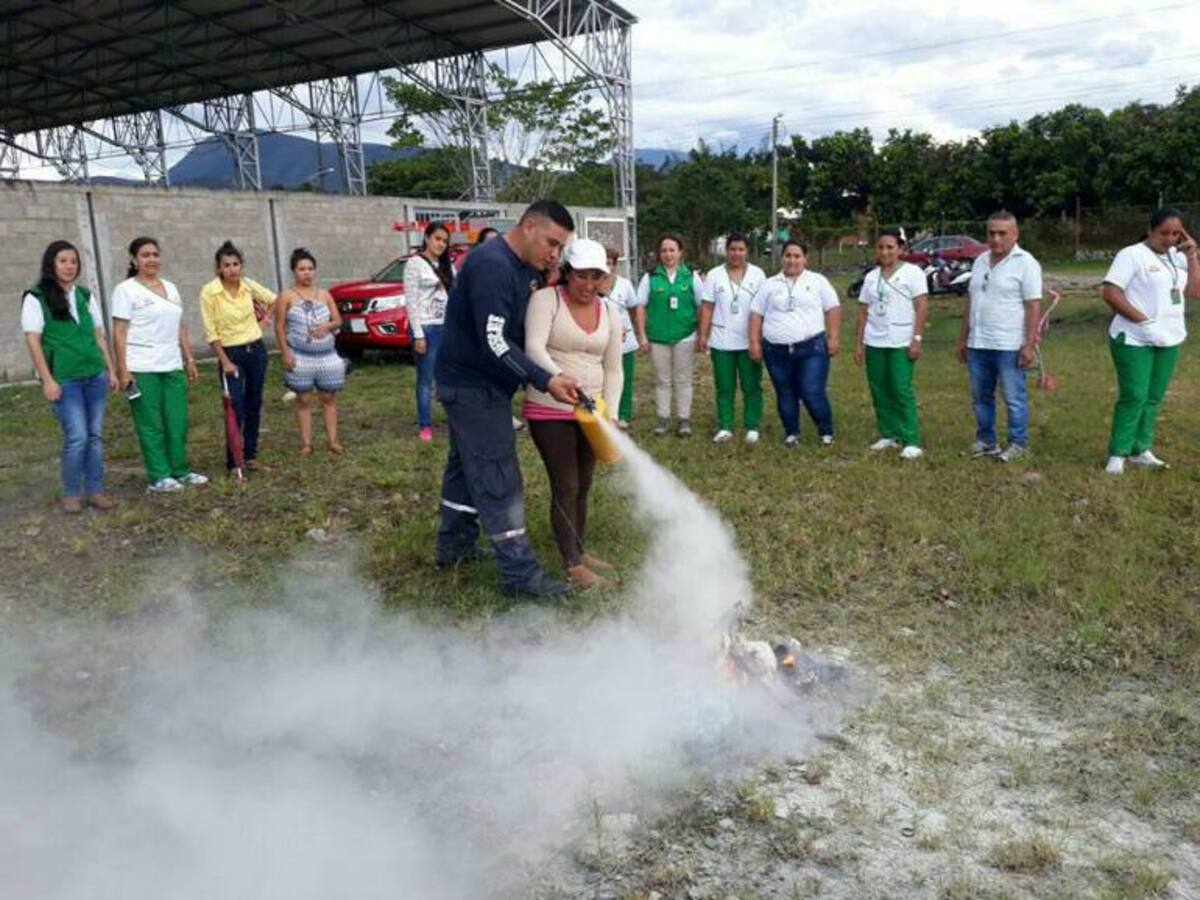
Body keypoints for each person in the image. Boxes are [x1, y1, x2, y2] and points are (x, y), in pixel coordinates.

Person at [434, 199, 582, 599]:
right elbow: (494, 340)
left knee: (465, 470)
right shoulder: (493, 265)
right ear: (528, 226)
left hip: (479, 385)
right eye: (551, 243)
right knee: (499, 476)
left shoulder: (523, 268)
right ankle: (520, 576)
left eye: (560, 248)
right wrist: (544, 379)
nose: (554, 254)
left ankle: (455, 547)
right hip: (471, 387)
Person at [524, 239, 624, 589]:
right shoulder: (545, 301)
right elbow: (533, 348)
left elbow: (614, 368)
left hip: (590, 410)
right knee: (565, 484)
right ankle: (571, 566)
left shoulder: (610, 312)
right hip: (549, 405)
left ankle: (578, 551)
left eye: (596, 277)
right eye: (581, 276)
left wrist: (608, 412)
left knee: (583, 484)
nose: (588, 284)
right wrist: (557, 377)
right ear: (567, 273)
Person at [21, 240, 118, 512]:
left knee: (95, 435)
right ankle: (71, 492)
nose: (69, 266)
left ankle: (95, 490)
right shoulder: (36, 296)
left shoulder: (85, 296)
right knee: (77, 437)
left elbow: (98, 335)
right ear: (51, 263)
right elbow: (33, 340)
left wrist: (109, 368)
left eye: (73, 261)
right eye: (63, 260)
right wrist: (47, 379)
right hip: (65, 379)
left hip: (94, 375)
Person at [1101, 207, 1200, 474]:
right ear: (1150, 230)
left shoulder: (1175, 258)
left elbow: (1194, 291)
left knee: (1153, 397)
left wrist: (1192, 256)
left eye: (1176, 233)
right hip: (1134, 337)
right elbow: (1110, 292)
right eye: (1163, 233)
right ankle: (1118, 454)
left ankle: (1140, 449)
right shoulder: (1131, 255)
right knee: (1134, 395)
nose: (1169, 239)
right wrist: (1142, 320)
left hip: (1169, 337)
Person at [111, 237, 207, 493]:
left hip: (172, 364)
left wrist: (188, 359)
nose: (151, 259)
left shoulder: (171, 288)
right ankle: (159, 476)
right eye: (145, 255)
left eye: (155, 254)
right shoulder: (126, 290)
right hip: (141, 367)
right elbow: (119, 332)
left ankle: (180, 470)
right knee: (150, 423)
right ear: (134, 260)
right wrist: (123, 369)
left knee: (177, 421)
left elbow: (180, 326)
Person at [957, 211, 1043, 462]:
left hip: (1009, 344)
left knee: (1014, 397)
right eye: (991, 233)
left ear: (1015, 235)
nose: (995, 239)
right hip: (978, 343)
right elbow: (972, 301)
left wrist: (1029, 344)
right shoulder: (980, 261)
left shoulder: (1026, 263)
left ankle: (1018, 443)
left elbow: (1033, 306)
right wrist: (963, 338)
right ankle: (986, 441)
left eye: (1002, 233)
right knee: (981, 397)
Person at [749, 239, 842, 447]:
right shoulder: (770, 285)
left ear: (805, 259)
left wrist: (834, 337)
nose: (792, 260)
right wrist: (754, 342)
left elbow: (833, 308)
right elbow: (756, 314)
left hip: (812, 349)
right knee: (785, 392)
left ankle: (825, 431)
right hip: (776, 351)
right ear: (782, 258)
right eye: (788, 256)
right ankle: (792, 433)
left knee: (811, 390)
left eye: (797, 256)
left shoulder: (818, 281)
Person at [199, 240, 277, 473]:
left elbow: (274, 299)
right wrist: (224, 361)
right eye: (227, 265)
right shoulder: (210, 292)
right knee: (235, 406)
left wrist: (263, 321)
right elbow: (211, 331)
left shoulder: (248, 285)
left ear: (241, 266)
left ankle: (250, 456)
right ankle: (234, 461)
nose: (232, 269)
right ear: (218, 268)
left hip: (256, 350)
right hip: (230, 354)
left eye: (236, 264)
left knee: (254, 404)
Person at [853, 229, 929, 460]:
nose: (885, 252)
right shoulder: (871, 277)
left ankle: (911, 439)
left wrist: (916, 338)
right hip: (875, 340)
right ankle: (888, 433)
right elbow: (864, 312)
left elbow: (922, 306)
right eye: (881, 247)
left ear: (900, 249)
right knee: (879, 389)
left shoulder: (912, 273)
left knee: (900, 388)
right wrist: (859, 344)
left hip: (900, 340)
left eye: (890, 247)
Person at [274, 248, 346, 456]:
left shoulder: (324, 294)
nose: (307, 273)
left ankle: (333, 440)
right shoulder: (286, 296)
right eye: (302, 269)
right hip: (300, 355)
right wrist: (285, 353)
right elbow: (279, 327)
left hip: (327, 355)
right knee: (303, 399)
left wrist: (327, 327)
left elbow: (338, 320)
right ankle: (306, 444)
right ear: (294, 271)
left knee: (328, 396)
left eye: (310, 269)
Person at [699, 232, 767, 444]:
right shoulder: (714, 275)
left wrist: (761, 337)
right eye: (732, 249)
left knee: (751, 385)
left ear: (747, 251)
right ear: (726, 251)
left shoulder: (758, 274)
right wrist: (703, 334)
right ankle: (725, 426)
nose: (736, 253)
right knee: (724, 386)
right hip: (722, 340)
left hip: (750, 340)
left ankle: (752, 426)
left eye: (740, 249)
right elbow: (708, 306)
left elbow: (764, 308)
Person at [634, 234, 706, 436]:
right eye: (664, 250)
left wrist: (701, 334)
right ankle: (663, 418)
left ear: (680, 252)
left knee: (683, 380)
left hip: (685, 336)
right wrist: (642, 336)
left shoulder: (691, 276)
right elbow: (641, 307)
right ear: (659, 253)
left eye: (672, 250)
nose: (668, 254)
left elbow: (701, 306)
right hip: (658, 338)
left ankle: (684, 419)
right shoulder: (650, 277)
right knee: (662, 380)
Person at [404, 222, 453, 442]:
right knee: (426, 379)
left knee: (449, 377)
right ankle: (425, 424)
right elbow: (411, 302)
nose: (441, 244)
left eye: (444, 240)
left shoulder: (447, 265)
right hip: (425, 327)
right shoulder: (414, 264)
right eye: (437, 239)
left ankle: (454, 419)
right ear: (427, 238)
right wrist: (418, 334)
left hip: (446, 326)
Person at [600, 245, 639, 429]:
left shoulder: (625, 284)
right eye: (604, 262)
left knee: (625, 377)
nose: (607, 266)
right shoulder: (594, 285)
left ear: (615, 265)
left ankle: (624, 415)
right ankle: (604, 412)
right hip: (601, 341)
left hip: (626, 342)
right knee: (602, 378)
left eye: (611, 263)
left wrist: (634, 330)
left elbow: (633, 308)